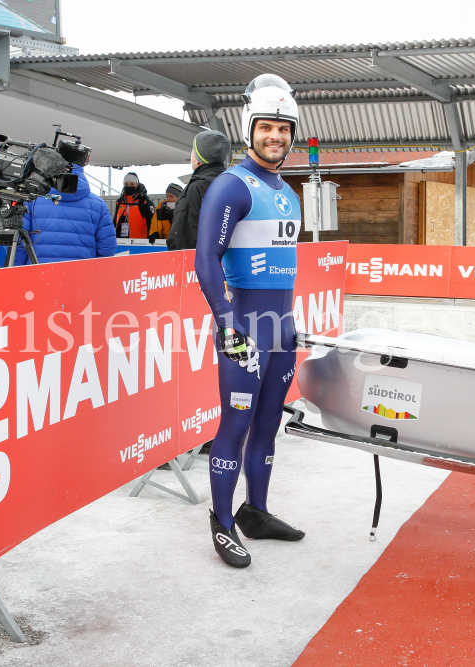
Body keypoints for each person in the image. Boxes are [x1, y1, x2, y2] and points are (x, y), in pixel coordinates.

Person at [195, 74, 303, 568]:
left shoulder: (288, 192)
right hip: (244, 330)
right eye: (267, 127)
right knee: (236, 424)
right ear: (249, 129)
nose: (275, 136)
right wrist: (225, 322)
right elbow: (206, 259)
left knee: (267, 425)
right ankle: (222, 522)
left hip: (281, 330)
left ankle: (255, 511)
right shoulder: (231, 185)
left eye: (283, 128)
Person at [13, 153, 115, 265]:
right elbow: (106, 248)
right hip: (81, 274)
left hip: (39, 274)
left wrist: (20, 271)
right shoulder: (98, 204)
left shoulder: (31, 199)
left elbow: (17, 243)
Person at [166, 130, 231, 251]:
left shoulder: (196, 187)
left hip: (199, 262)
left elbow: (182, 234)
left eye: (194, 150)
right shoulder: (234, 183)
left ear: (199, 158)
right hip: (229, 260)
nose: (191, 153)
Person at [113, 172, 154, 239]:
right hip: (121, 239)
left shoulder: (144, 202)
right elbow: (115, 221)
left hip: (140, 240)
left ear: (136, 185)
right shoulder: (120, 201)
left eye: (132, 184)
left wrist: (151, 235)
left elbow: (151, 221)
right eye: (126, 184)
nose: (129, 186)